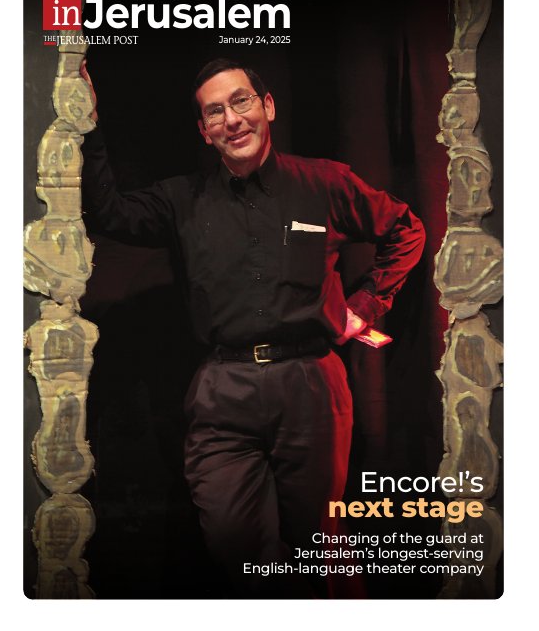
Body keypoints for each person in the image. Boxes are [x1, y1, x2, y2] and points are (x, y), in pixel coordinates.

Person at [79, 58, 425, 598]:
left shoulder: (324, 182)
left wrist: (365, 305)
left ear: (267, 106)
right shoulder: (181, 199)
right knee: (232, 540)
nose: (232, 119)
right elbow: (107, 213)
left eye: (241, 101)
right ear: (204, 130)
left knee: (319, 545)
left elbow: (406, 229)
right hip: (224, 388)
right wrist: (88, 122)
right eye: (215, 112)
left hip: (310, 382)